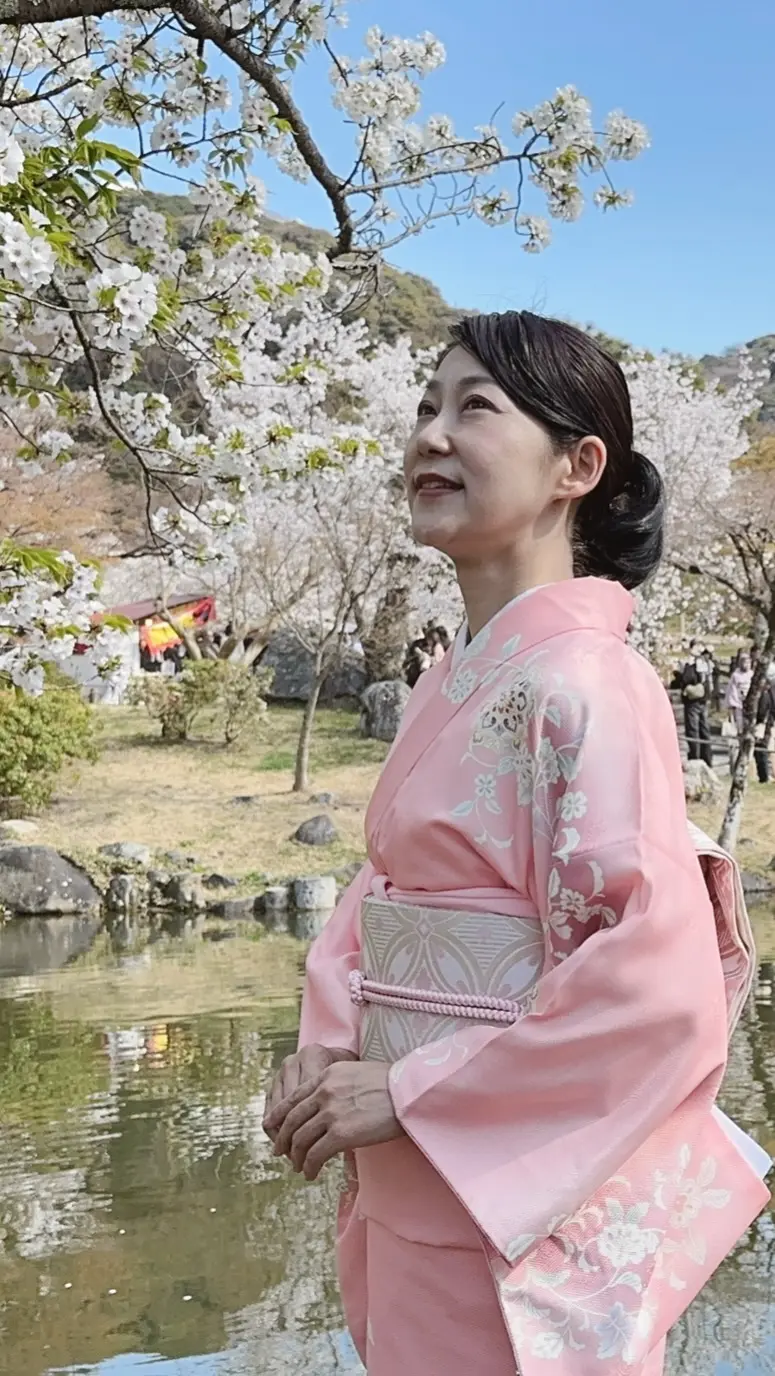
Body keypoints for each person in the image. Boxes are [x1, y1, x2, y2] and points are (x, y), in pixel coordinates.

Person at [263, 312, 770, 1376]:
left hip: (510, 1213)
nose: (430, 436)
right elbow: (378, 901)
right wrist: (326, 1053)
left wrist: (408, 1088)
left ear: (577, 466)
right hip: (411, 1180)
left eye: (474, 408)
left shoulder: (590, 681)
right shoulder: (448, 683)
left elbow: (653, 981)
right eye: (424, 407)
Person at [679, 638, 714, 768]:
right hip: (703, 700)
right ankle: (707, 759)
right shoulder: (706, 662)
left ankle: (696, 758)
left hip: (694, 699)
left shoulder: (692, 662)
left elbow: (688, 678)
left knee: (693, 730)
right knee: (704, 729)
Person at [725, 651, 753, 737]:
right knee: (739, 726)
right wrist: (732, 704)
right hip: (738, 703)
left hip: (750, 704)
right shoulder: (735, 675)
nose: (747, 665)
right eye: (745, 662)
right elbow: (731, 690)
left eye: (749, 662)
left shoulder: (752, 674)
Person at [754, 678, 775, 784]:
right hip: (768, 724)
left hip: (763, 725)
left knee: (760, 749)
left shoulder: (765, 695)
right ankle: (765, 775)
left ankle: (764, 776)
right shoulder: (770, 693)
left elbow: (762, 712)